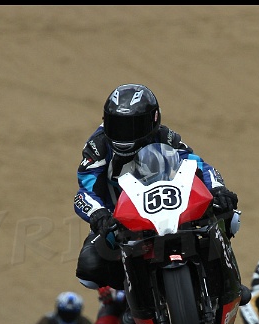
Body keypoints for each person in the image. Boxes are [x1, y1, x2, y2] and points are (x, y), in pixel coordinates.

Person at [73, 83, 248, 300]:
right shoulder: (97, 146)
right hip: (119, 218)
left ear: (153, 121)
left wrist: (219, 189)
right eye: (117, 125)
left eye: (132, 126)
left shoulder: (166, 137)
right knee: (89, 269)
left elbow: (197, 164)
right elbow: (84, 191)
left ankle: (227, 278)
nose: (124, 134)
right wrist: (98, 214)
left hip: (169, 203)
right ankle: (134, 294)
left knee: (226, 215)